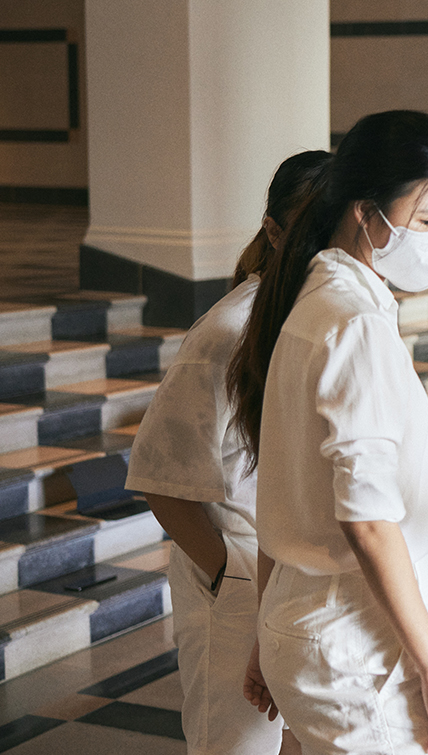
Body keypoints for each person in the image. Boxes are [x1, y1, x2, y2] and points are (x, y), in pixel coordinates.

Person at [228, 110, 428, 755]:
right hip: (356, 642)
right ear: (367, 213)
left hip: (312, 623)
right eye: (427, 220)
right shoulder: (352, 324)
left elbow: (279, 487)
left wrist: (268, 627)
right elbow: (366, 520)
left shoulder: (315, 303)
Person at [126, 149, 329, 755]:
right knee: (236, 746)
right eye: (311, 229)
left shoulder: (320, 317)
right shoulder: (228, 333)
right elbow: (162, 479)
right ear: (273, 230)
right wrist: (226, 577)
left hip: (301, 570)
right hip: (239, 571)